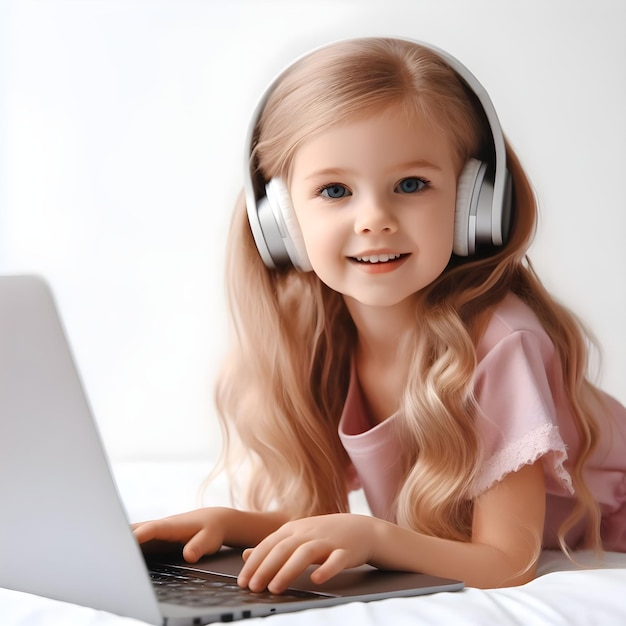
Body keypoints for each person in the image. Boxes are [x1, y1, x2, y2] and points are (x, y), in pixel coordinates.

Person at [133, 37, 626, 591]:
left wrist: (375, 536)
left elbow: (508, 561)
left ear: (476, 206)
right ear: (281, 222)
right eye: (335, 190)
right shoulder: (322, 336)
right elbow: (333, 521)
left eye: (411, 185)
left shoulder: (502, 341)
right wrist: (227, 526)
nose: (374, 219)